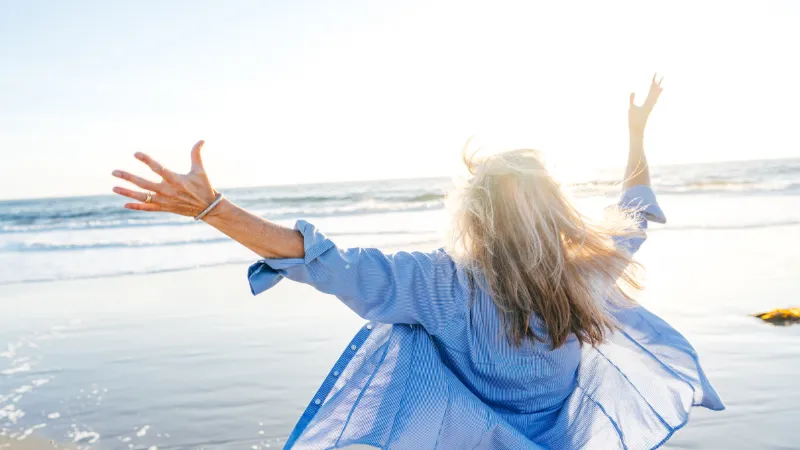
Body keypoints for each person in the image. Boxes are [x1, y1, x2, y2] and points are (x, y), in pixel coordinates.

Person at [112, 75, 723, 449]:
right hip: (564, 440)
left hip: (465, 439)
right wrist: (636, 132)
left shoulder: (438, 283)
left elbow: (323, 261)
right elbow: (633, 209)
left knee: (407, 335)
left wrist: (213, 209)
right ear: (555, 207)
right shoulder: (588, 270)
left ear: (475, 213)